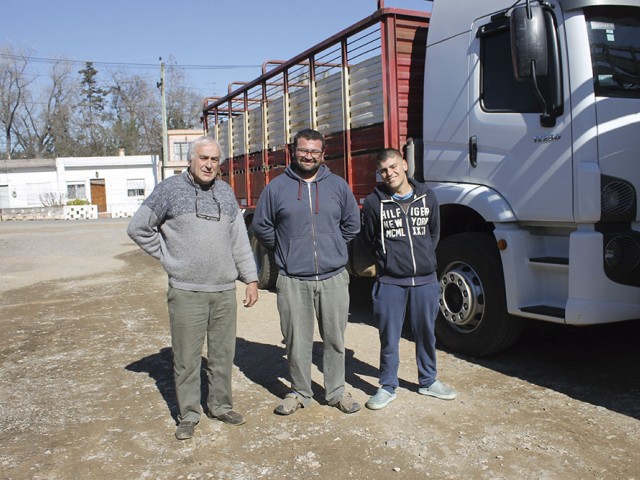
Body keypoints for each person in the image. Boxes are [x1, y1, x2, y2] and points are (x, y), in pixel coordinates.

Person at [127, 136, 258, 440]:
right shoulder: (170, 190)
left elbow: (239, 241)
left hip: (224, 290)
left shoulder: (226, 193)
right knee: (187, 357)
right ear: (190, 159)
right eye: (203, 158)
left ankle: (221, 406)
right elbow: (138, 228)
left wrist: (250, 278)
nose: (209, 164)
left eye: (214, 160)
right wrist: (169, 257)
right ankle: (188, 414)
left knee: (223, 354)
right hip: (186, 290)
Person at [252, 128, 361, 415]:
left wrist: (332, 246)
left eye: (314, 151)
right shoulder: (276, 188)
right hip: (293, 279)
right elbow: (261, 225)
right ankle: (300, 391)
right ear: (293, 151)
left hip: (333, 278)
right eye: (303, 150)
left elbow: (352, 224)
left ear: (323, 155)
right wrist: (286, 248)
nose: (308, 156)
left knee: (335, 340)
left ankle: (336, 391)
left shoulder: (338, 186)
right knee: (296, 341)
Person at [361, 148, 457, 410]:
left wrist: (424, 261)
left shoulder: (428, 196)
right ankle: (388, 385)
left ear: (404, 164)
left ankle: (428, 381)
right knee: (389, 336)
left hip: (425, 280)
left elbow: (433, 233)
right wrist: (387, 262)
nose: (389, 173)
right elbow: (370, 239)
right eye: (383, 170)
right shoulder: (374, 203)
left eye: (393, 167)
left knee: (426, 333)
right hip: (391, 282)